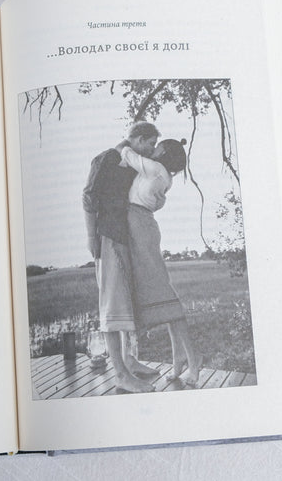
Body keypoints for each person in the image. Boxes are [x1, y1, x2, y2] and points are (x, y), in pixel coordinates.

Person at [82, 121, 160, 393]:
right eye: (150, 144)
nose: (152, 150)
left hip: (127, 239)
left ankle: (129, 360)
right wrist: (91, 237)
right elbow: (88, 198)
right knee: (113, 304)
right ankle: (120, 375)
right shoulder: (107, 158)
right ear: (138, 139)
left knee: (127, 302)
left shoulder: (133, 165)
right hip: (108, 236)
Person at [120, 138, 202, 387]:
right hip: (143, 224)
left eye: (156, 146)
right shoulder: (166, 177)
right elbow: (157, 201)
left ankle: (193, 359)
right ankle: (179, 358)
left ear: (163, 151)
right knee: (164, 297)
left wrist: (129, 142)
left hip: (140, 225)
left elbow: (127, 153)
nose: (152, 149)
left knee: (165, 294)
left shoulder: (154, 168)